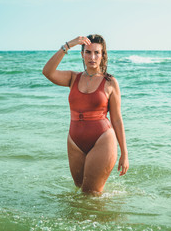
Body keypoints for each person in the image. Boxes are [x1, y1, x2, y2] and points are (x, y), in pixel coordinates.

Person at [42, 34, 129, 195]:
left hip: (102, 140)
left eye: (97, 52)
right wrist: (68, 45)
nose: (92, 57)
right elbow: (47, 72)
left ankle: (101, 220)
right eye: (88, 52)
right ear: (82, 54)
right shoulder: (72, 78)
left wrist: (124, 153)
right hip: (75, 142)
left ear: (103, 56)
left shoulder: (110, 82)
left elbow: (116, 119)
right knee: (80, 189)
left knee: (91, 194)